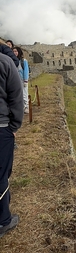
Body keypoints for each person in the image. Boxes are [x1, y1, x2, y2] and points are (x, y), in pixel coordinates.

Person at [0, 41, 25, 239]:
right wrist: (14, 126)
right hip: (2, 128)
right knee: (1, 173)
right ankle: (3, 220)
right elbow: (16, 97)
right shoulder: (5, 62)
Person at [12, 47, 27, 112]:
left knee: (24, 94)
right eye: (13, 51)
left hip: (22, 79)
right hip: (14, 80)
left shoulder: (23, 61)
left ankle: (26, 107)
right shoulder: (11, 61)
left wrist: (25, 80)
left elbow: (26, 71)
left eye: (16, 51)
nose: (15, 53)